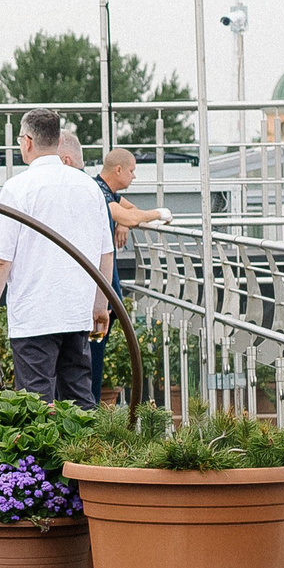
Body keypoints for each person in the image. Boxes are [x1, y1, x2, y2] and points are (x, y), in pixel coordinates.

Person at [0, 109, 113, 406]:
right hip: (76, 310)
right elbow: (105, 252)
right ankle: (87, 439)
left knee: (36, 404)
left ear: (27, 141)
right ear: (57, 140)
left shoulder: (17, 188)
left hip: (34, 314)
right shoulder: (88, 187)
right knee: (79, 398)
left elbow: (0, 260)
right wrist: (99, 306)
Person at [91, 147, 172, 397]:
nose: (134, 176)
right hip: (99, 287)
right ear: (118, 170)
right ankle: (89, 405)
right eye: (132, 170)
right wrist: (159, 213)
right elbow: (130, 216)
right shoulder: (98, 193)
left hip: (103, 285)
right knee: (93, 349)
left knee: (97, 346)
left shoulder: (108, 192)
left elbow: (130, 213)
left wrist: (122, 222)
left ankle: (90, 402)